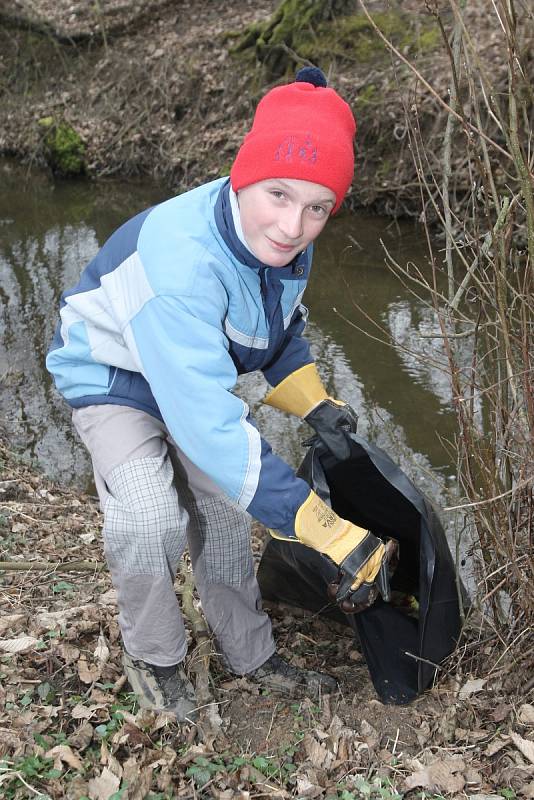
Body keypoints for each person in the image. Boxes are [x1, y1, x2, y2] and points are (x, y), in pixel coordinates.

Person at [46, 67, 389, 723]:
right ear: (242, 176)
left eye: (318, 207)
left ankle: (251, 654)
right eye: (279, 195)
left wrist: (315, 403)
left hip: (190, 369)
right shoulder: (184, 265)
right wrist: (329, 530)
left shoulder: (284, 247)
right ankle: (155, 655)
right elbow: (212, 432)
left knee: (229, 515)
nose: (293, 226)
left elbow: (276, 331)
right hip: (116, 377)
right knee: (150, 516)